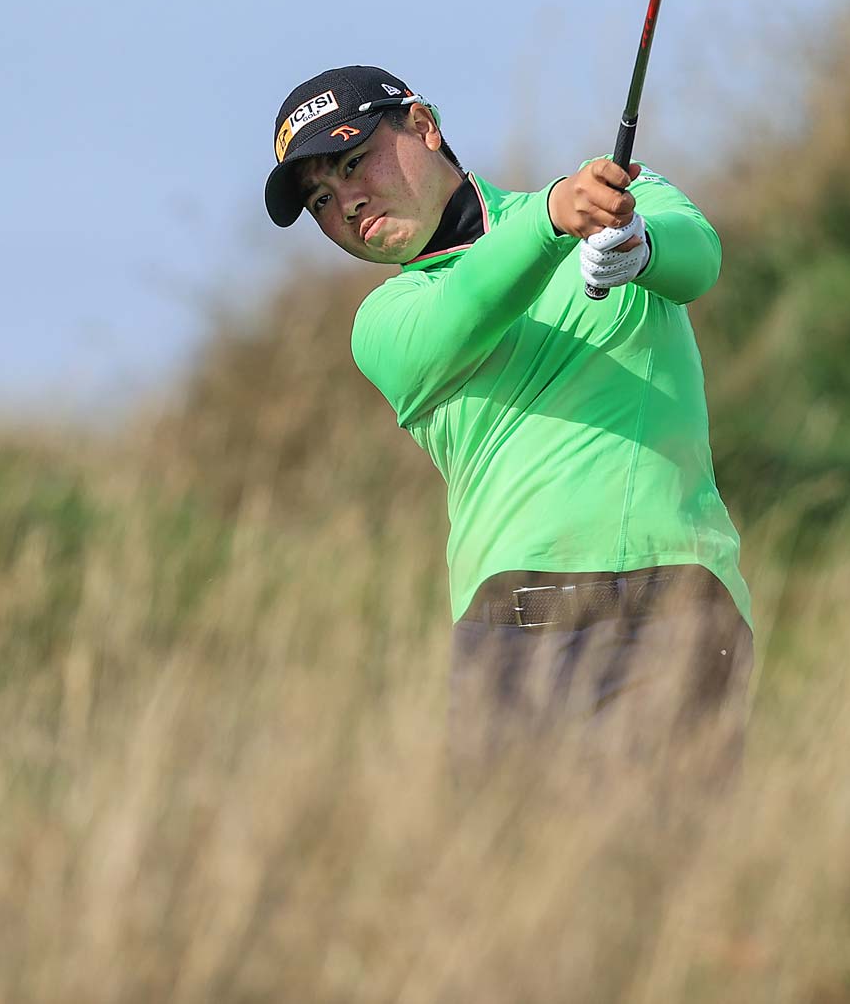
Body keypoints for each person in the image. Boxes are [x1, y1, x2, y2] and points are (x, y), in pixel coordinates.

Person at [263, 65, 754, 782]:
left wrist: (638, 243)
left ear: (424, 124)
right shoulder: (386, 322)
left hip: (675, 606)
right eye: (320, 198)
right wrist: (556, 217)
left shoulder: (619, 202)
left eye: (351, 160)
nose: (347, 201)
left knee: (668, 884)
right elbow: (468, 307)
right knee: (517, 892)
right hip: (509, 636)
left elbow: (699, 259)